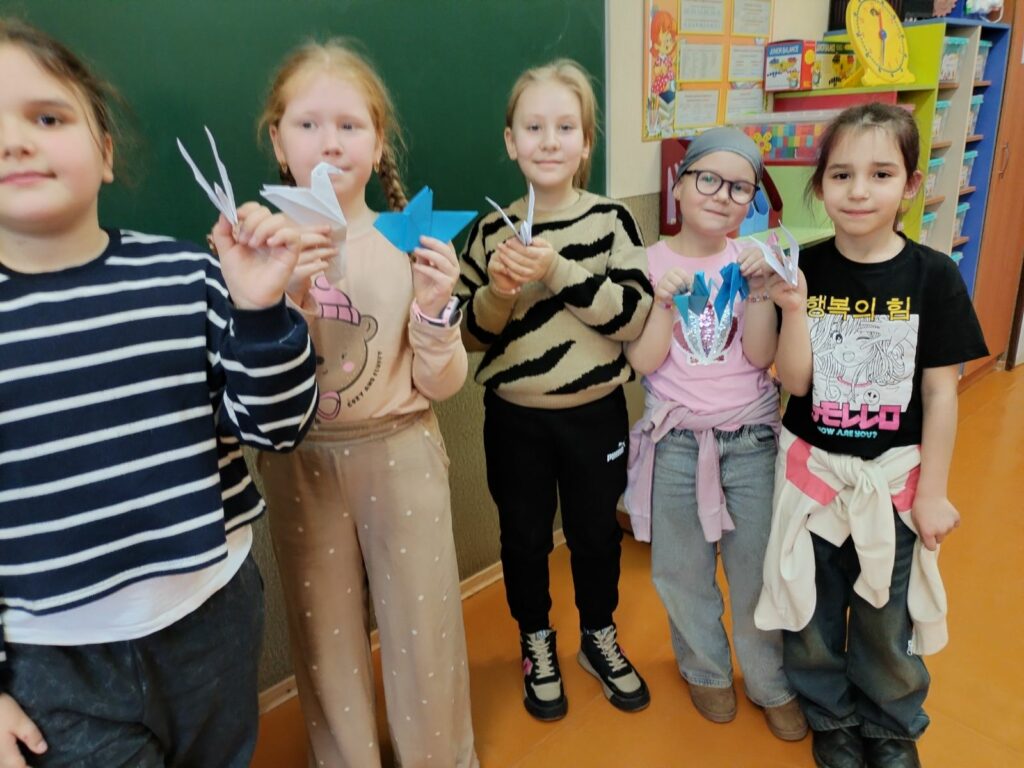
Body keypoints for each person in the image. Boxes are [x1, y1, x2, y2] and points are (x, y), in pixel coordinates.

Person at [0, 18, 319, 768]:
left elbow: (278, 428)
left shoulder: (189, 276)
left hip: (213, 616)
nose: (15, 143)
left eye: (47, 118)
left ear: (107, 153)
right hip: (54, 664)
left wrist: (260, 311)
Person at [253, 40, 477, 768]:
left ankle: (438, 757)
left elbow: (443, 383)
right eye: (307, 124)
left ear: (378, 141)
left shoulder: (408, 241)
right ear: (278, 140)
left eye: (350, 125)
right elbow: (248, 385)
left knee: (423, 623)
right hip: (302, 462)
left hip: (401, 450)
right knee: (323, 633)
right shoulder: (254, 249)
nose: (330, 143)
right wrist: (279, 298)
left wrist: (437, 310)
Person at [754, 103, 989, 768]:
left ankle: (889, 725)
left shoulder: (934, 276)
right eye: (841, 174)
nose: (859, 190)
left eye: (880, 174)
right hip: (814, 477)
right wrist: (790, 303)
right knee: (812, 610)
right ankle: (829, 715)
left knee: (889, 616)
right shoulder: (802, 269)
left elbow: (940, 394)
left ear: (910, 186)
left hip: (894, 480)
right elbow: (794, 382)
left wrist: (932, 494)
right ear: (821, 184)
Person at [457, 59, 654, 721]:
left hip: (595, 415)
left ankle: (599, 633)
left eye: (566, 127)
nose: (549, 140)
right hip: (514, 421)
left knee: (596, 535)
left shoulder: (612, 220)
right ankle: (535, 640)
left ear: (586, 142)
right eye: (533, 127)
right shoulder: (489, 232)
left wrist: (558, 270)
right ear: (510, 141)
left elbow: (632, 316)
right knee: (523, 539)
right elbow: (468, 334)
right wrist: (498, 291)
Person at [624, 127, 807, 741]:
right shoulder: (646, 263)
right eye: (708, 179)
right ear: (679, 185)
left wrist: (759, 292)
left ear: (751, 201)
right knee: (681, 570)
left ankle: (769, 678)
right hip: (675, 442)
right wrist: (662, 305)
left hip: (750, 437)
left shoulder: (753, 260)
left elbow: (760, 356)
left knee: (757, 567)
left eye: (740, 188)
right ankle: (705, 669)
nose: (722, 195)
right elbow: (644, 361)